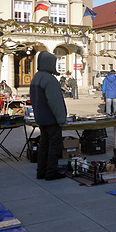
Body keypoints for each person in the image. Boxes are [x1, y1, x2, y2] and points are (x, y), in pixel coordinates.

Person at [29, 51, 67, 181]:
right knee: (54, 145)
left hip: (41, 118)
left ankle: (41, 171)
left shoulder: (36, 77)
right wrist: (61, 119)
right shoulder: (49, 79)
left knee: (44, 145)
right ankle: (51, 171)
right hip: (51, 119)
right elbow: (55, 102)